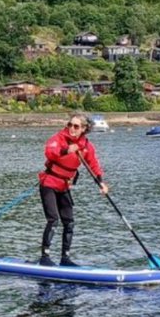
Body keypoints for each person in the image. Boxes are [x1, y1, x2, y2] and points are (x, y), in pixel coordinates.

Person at [37, 114, 109, 266]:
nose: (71, 128)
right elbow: (50, 152)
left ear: (84, 129)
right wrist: (66, 150)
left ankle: (65, 258)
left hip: (64, 186)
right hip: (49, 182)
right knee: (53, 219)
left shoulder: (86, 146)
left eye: (76, 126)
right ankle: (45, 257)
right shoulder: (58, 138)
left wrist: (101, 183)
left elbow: (93, 165)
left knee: (69, 222)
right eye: (70, 124)